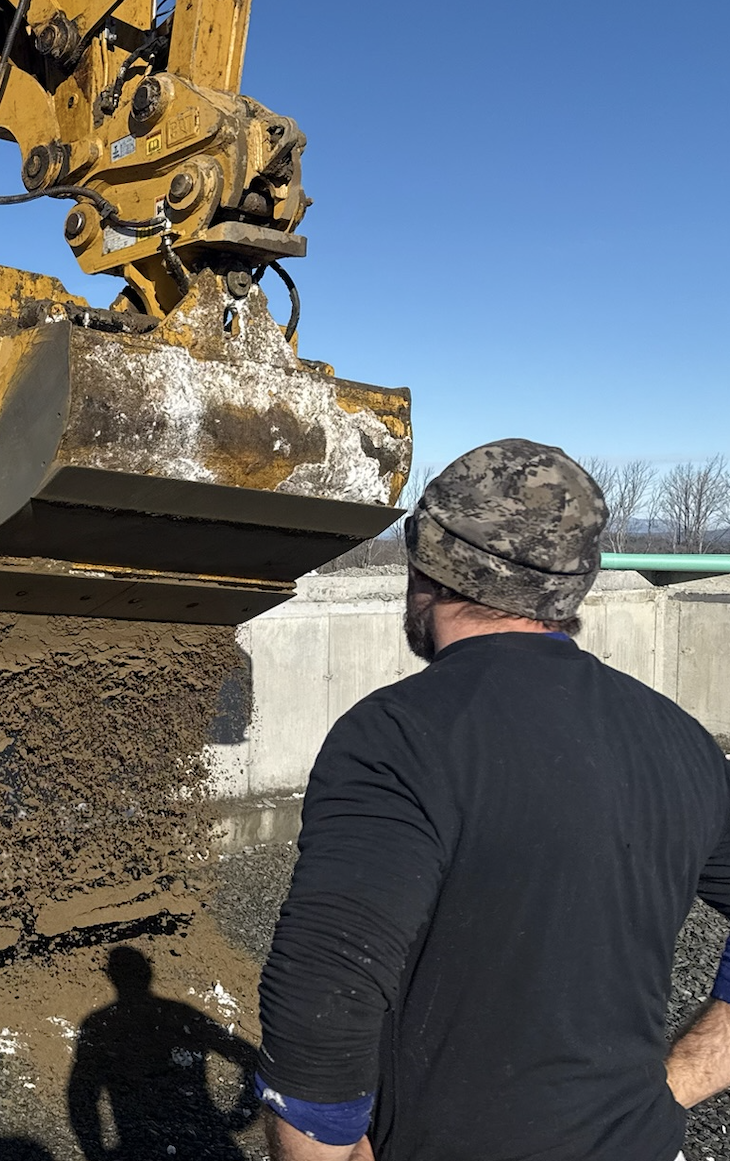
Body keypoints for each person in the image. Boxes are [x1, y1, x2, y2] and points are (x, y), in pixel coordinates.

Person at [255, 438, 730, 1160]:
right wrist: (680, 1081)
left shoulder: (400, 736)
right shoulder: (679, 738)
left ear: (427, 567)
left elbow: (325, 996)